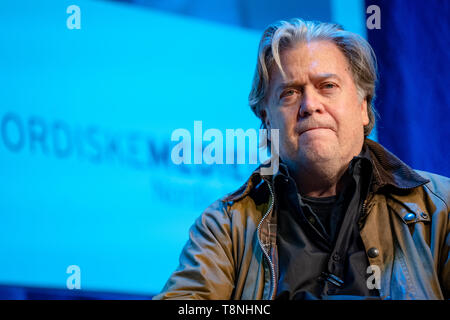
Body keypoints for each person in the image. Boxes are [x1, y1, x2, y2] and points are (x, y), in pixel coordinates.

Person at [153, 18, 449, 300]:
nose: (309, 105)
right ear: (267, 121)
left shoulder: (440, 208)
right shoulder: (224, 227)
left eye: (328, 86)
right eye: (290, 93)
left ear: (363, 108)